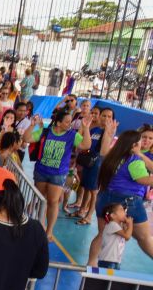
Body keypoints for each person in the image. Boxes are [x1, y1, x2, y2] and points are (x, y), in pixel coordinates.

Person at [23, 109, 92, 240]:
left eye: (70, 122)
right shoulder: (45, 132)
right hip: (41, 171)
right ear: (58, 123)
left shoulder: (72, 135)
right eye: (67, 122)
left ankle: (49, 231)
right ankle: (42, 226)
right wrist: (32, 125)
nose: (69, 124)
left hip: (58, 174)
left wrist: (86, 128)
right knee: (41, 199)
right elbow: (26, 138)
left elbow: (85, 145)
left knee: (53, 202)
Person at [87, 128, 153, 264]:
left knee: (103, 234)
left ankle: (91, 265)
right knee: (145, 238)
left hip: (104, 199)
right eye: (141, 140)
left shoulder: (113, 157)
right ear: (134, 145)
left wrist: (108, 135)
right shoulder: (135, 160)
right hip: (127, 202)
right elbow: (143, 180)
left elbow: (103, 152)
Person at [97, 203, 133, 269]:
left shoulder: (118, 226)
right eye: (121, 210)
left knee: (110, 278)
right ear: (113, 215)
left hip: (115, 261)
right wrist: (130, 224)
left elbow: (126, 238)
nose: (124, 212)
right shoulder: (112, 225)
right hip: (108, 261)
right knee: (107, 278)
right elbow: (127, 236)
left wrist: (126, 226)